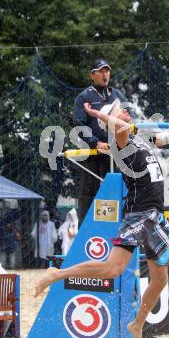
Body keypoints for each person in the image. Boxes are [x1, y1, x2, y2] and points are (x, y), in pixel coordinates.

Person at [34, 85, 169, 338]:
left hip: (154, 216)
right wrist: (98, 113)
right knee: (112, 269)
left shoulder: (143, 141)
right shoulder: (121, 143)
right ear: (115, 119)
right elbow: (117, 126)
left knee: (160, 280)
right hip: (139, 215)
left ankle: (136, 324)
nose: (128, 111)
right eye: (122, 110)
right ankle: (56, 274)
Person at [73, 59, 127, 224]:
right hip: (93, 157)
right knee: (89, 195)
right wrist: (95, 143)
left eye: (107, 71)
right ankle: (86, 232)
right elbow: (79, 125)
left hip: (116, 154)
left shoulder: (117, 95)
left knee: (117, 194)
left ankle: (120, 231)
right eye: (101, 71)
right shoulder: (84, 97)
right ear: (92, 75)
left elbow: (127, 120)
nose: (105, 74)